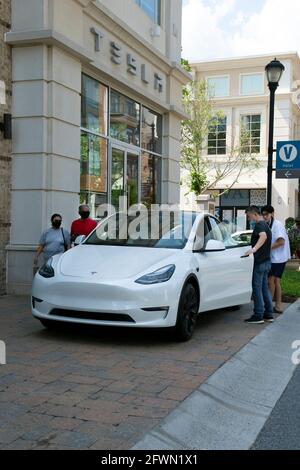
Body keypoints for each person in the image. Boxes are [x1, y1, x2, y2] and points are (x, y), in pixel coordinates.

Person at [244, 206, 273, 324]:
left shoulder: (260, 225)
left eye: (249, 216)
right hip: (266, 261)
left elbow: (263, 236)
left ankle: (258, 315)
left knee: (257, 289)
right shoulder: (266, 225)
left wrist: (254, 249)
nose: (248, 219)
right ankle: (269, 314)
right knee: (264, 289)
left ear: (254, 214)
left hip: (260, 262)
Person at [262, 205, 291, 314]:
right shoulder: (269, 224)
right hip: (277, 257)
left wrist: (265, 248)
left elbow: (281, 242)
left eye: (266, 214)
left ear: (272, 214)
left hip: (278, 258)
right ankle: (278, 306)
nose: (264, 216)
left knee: (271, 281)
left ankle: (269, 307)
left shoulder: (277, 225)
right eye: (263, 214)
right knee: (276, 281)